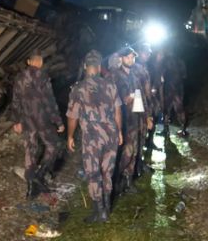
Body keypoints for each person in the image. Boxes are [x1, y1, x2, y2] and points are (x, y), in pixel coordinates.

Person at [66, 50, 123, 223]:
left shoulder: (78, 89)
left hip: (91, 139)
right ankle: (106, 207)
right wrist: (119, 131)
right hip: (111, 136)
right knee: (107, 172)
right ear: (99, 67)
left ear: (85, 67)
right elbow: (118, 111)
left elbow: (72, 116)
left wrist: (70, 136)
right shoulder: (111, 85)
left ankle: (100, 211)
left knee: (93, 174)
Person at [11, 50, 65, 199]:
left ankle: (30, 188)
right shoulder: (43, 77)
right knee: (54, 146)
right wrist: (58, 121)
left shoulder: (19, 78)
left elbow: (15, 101)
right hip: (43, 120)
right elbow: (50, 102)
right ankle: (40, 175)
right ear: (40, 62)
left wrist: (16, 121)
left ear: (29, 62)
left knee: (30, 151)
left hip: (27, 121)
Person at [113, 45, 144, 195]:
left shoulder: (134, 76)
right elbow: (113, 101)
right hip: (121, 122)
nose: (131, 60)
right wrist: (126, 99)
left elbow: (139, 98)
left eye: (133, 57)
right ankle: (116, 179)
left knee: (134, 152)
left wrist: (144, 118)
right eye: (128, 57)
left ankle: (128, 181)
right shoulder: (114, 77)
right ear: (121, 58)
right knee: (126, 152)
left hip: (134, 120)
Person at [133, 42, 155, 177]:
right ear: (139, 52)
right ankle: (133, 169)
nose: (148, 55)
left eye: (149, 52)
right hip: (136, 108)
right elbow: (137, 93)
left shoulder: (144, 67)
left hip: (143, 105)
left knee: (141, 138)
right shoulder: (135, 69)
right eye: (146, 52)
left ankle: (139, 163)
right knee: (135, 139)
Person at [159, 48, 188, 137]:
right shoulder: (180, 61)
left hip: (168, 88)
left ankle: (165, 130)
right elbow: (184, 75)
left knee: (166, 110)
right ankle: (183, 130)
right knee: (180, 109)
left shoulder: (164, 61)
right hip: (179, 88)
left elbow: (161, 76)